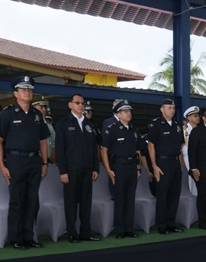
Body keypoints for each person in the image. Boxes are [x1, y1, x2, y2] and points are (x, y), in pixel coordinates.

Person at [0, 76, 51, 249]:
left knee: (32, 200)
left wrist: (45, 163)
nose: (27, 92)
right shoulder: (8, 114)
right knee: (17, 200)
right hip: (15, 160)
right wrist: (2, 165)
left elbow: (43, 141)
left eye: (30, 89)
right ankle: (16, 238)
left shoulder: (37, 115)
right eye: (23, 89)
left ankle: (28, 237)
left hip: (34, 161)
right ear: (15, 93)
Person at [55, 93, 100, 243]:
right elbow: (60, 149)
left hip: (87, 168)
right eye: (77, 103)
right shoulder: (63, 123)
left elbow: (94, 148)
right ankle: (72, 233)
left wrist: (95, 168)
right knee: (71, 203)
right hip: (71, 169)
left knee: (86, 202)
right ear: (70, 105)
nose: (81, 105)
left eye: (82, 103)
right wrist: (63, 171)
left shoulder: (89, 124)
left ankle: (85, 232)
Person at [101, 100, 145, 239]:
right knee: (120, 199)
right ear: (118, 114)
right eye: (125, 111)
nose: (129, 113)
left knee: (130, 199)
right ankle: (120, 229)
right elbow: (104, 150)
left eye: (129, 111)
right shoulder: (112, 129)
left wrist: (138, 168)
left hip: (132, 167)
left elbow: (138, 151)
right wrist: (108, 170)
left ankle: (129, 228)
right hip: (118, 167)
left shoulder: (134, 131)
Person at [146, 98, 185, 235]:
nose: (172, 110)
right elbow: (151, 146)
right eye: (169, 108)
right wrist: (154, 166)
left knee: (174, 195)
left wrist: (181, 164)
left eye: (173, 108)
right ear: (162, 109)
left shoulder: (177, 125)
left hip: (175, 163)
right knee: (163, 195)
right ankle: (161, 225)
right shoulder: (156, 124)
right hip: (162, 163)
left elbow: (180, 146)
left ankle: (171, 223)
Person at [33, 96, 56, 164]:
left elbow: (52, 146)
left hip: (47, 162)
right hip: (33, 161)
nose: (44, 110)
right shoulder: (28, 125)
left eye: (44, 107)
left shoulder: (49, 126)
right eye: (41, 107)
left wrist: (54, 163)